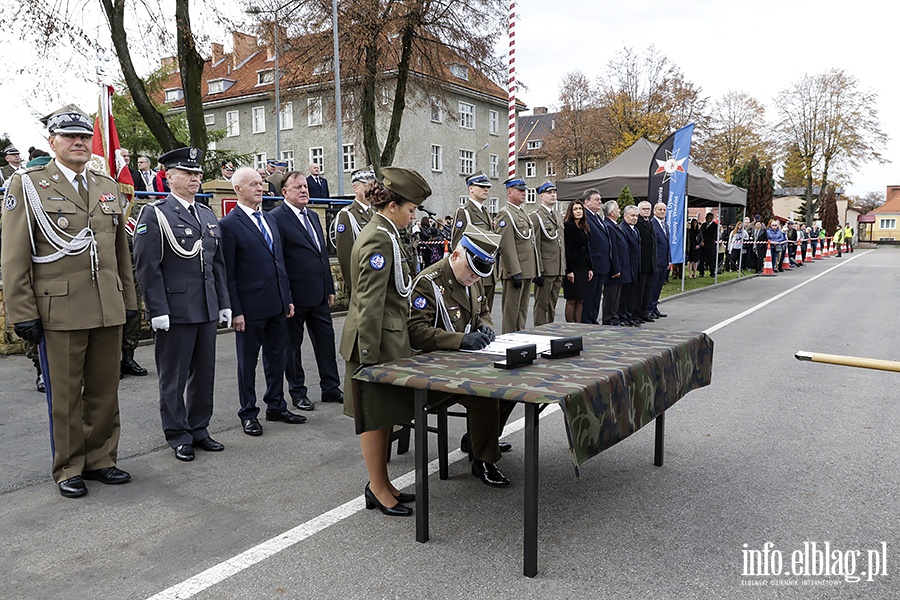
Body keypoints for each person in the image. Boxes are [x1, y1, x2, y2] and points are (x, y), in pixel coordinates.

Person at [1, 105, 137, 498]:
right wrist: (22, 312)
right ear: (53, 142)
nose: (79, 143)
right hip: (58, 309)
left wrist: (128, 301)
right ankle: (69, 467)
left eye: (84, 137)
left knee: (104, 390)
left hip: (106, 307)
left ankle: (101, 459)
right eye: (69, 137)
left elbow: (119, 253)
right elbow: (14, 256)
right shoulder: (27, 184)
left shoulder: (105, 184)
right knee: (65, 396)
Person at [338, 166, 431, 517]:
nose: (414, 215)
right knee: (374, 417)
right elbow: (369, 301)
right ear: (392, 206)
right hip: (373, 343)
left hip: (387, 340)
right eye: (410, 209)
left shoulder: (388, 232)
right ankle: (376, 487)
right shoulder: (378, 237)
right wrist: (368, 356)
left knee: (385, 415)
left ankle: (384, 482)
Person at [133, 147, 231, 462]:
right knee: (174, 377)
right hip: (175, 310)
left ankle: (199, 428)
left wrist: (223, 303)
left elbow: (217, 264)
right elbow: (148, 267)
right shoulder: (156, 213)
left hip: (205, 307)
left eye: (198, 174)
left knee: (204, 374)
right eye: (188, 173)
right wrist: (157, 309)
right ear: (169, 176)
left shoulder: (205, 213)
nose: (195, 178)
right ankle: (178, 434)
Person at [408, 226, 515, 486]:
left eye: (478, 275)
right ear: (456, 255)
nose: (473, 279)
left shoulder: (471, 279)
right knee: (486, 397)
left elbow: (483, 310)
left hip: (466, 361)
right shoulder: (429, 281)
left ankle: (478, 439)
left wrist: (485, 326)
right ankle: (484, 460)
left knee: (513, 384)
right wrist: (461, 340)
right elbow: (415, 333)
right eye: (470, 272)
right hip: (434, 366)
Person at [220, 167, 305, 435]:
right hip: (249, 308)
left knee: (276, 358)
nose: (260, 188)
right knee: (248, 363)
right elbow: (229, 273)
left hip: (276, 303)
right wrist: (236, 310)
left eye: (261, 183)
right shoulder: (229, 225)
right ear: (238, 189)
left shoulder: (270, 220)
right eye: (254, 184)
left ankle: (276, 405)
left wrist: (287, 298)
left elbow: (280, 263)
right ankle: (248, 412)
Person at [271, 171, 343, 411]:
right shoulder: (276, 218)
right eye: (298, 187)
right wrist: (285, 296)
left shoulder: (312, 215)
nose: (304, 190)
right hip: (294, 297)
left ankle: (331, 387)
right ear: (284, 192)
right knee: (292, 348)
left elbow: (321, 254)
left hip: (319, 294)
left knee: (326, 342)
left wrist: (329, 287)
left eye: (305, 186)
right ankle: (297, 391)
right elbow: (278, 260)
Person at [495, 176, 540, 333]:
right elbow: (506, 246)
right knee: (511, 312)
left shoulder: (522, 213)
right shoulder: (505, 215)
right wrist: (515, 271)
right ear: (509, 192)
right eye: (520, 190)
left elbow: (531, 243)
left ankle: (519, 337)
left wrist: (536, 270)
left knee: (522, 311)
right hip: (515, 270)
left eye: (525, 190)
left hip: (527, 269)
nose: (524, 193)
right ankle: (508, 341)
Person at [451, 173, 497, 311]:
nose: (486, 189)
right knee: (473, 310)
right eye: (482, 186)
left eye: (487, 187)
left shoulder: (485, 212)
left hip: (487, 270)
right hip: (473, 269)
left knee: (486, 311)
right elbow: (457, 244)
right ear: (471, 188)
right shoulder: (464, 212)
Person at [335, 167, 376, 297]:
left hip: (376, 280)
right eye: (366, 185)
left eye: (373, 185)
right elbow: (345, 255)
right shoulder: (347, 215)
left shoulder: (374, 213)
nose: (371, 189)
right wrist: (353, 286)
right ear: (356, 188)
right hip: (361, 282)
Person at [530, 182, 565, 326]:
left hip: (558, 267)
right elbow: (535, 245)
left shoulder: (556, 215)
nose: (553, 195)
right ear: (541, 196)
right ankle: (539, 330)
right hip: (546, 267)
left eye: (554, 192)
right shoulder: (536, 216)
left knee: (552, 304)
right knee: (542, 304)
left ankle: (549, 328)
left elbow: (561, 243)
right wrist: (539, 270)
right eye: (549, 193)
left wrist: (563, 266)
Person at [581, 189, 613, 325]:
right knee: (589, 295)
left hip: (601, 262)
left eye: (600, 199)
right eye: (596, 200)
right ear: (587, 202)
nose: (600, 202)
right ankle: (587, 319)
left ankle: (593, 318)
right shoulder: (585, 217)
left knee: (596, 295)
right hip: (593, 262)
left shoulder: (596, 216)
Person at [562, 199, 593, 323]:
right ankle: (570, 326)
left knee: (581, 299)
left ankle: (578, 325)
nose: (578, 211)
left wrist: (590, 268)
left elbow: (587, 248)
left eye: (580, 209)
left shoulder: (583, 225)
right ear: (571, 211)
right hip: (572, 267)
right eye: (575, 209)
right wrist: (569, 270)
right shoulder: (567, 226)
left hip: (583, 267)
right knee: (572, 299)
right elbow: (567, 249)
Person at [617, 205, 642, 326]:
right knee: (624, 294)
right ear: (625, 216)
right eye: (632, 215)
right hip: (627, 266)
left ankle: (629, 315)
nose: (634, 218)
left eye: (636, 216)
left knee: (632, 294)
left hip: (635, 266)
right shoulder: (623, 229)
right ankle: (622, 316)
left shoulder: (635, 229)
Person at [646, 202, 670, 319]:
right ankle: (649, 308)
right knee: (653, 286)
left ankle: (654, 306)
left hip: (664, 260)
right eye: (660, 209)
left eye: (664, 210)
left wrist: (669, 259)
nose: (662, 212)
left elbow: (667, 243)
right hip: (656, 260)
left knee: (659, 285)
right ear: (654, 211)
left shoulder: (665, 225)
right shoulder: (652, 224)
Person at [635, 201, 658, 322]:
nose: (646, 211)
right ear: (639, 210)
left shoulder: (650, 222)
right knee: (640, 291)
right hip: (642, 263)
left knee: (648, 290)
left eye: (648, 209)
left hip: (651, 262)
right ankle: (637, 313)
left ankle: (644, 313)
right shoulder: (638, 223)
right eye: (644, 209)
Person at [699, 212, 718, 277]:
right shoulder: (703, 225)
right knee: (702, 259)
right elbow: (701, 234)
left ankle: (712, 272)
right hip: (703, 244)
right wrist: (701, 241)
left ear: (711, 218)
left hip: (710, 245)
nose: (706, 218)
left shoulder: (715, 226)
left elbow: (714, 236)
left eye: (707, 217)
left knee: (711, 259)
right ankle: (701, 272)